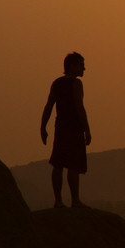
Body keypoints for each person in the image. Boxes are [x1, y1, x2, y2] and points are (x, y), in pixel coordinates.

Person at [40, 52, 92, 208]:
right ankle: (75, 201)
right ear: (72, 66)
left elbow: (49, 106)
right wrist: (87, 129)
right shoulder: (76, 84)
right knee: (73, 165)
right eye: (81, 65)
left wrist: (43, 126)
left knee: (58, 163)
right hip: (73, 127)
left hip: (60, 127)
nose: (84, 68)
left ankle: (58, 201)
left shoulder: (57, 83)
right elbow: (79, 108)